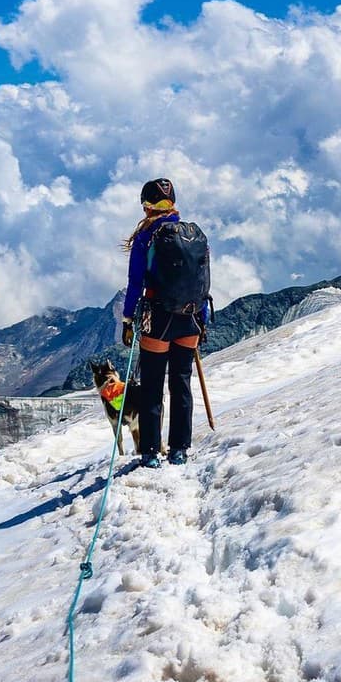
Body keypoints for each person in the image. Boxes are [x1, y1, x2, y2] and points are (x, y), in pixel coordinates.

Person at [121, 178, 206, 468]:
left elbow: (135, 283)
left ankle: (150, 453)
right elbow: (203, 283)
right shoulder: (194, 235)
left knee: (152, 386)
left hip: (159, 317)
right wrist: (201, 321)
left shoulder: (146, 235)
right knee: (181, 383)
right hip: (191, 318)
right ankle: (179, 449)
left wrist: (128, 319)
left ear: (147, 206)